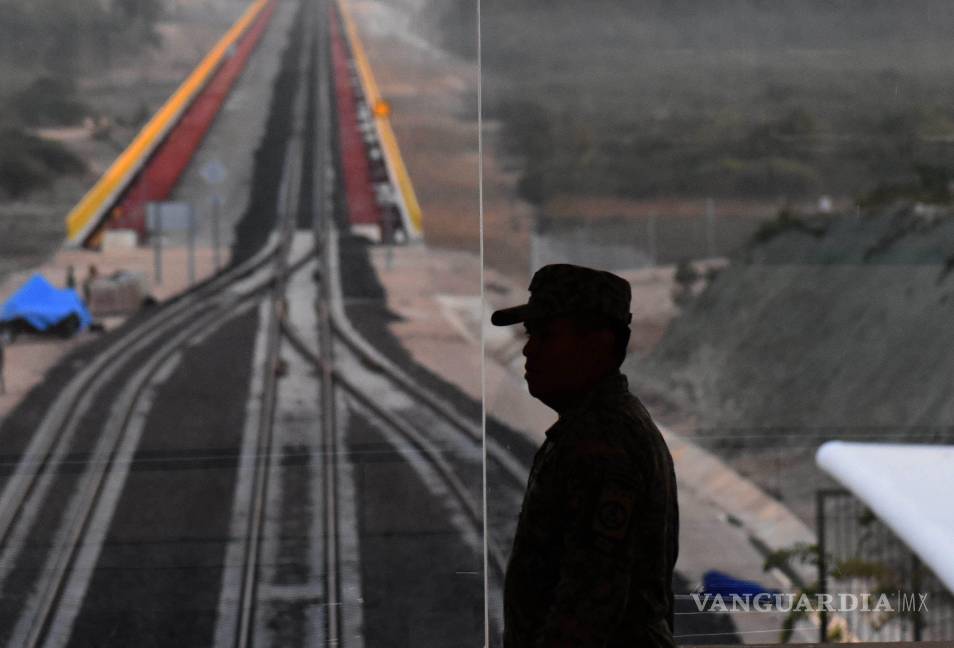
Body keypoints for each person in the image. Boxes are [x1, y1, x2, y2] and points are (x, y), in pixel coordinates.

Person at [491, 263, 679, 648]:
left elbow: (587, 610)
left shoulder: (603, 443)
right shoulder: (595, 429)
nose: (528, 349)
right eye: (531, 334)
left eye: (546, 335)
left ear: (598, 344)